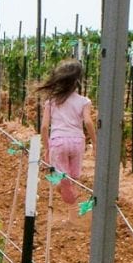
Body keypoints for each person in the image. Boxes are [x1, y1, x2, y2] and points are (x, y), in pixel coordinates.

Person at [36, 58, 97, 205]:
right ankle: (71, 199)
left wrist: (46, 147)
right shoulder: (84, 101)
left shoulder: (51, 101)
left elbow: (44, 127)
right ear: (77, 82)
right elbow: (88, 122)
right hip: (77, 141)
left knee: (61, 176)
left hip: (58, 141)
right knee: (73, 177)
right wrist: (95, 143)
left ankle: (62, 184)